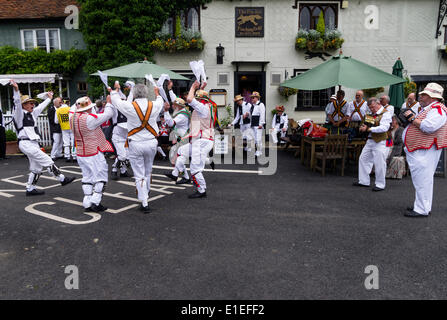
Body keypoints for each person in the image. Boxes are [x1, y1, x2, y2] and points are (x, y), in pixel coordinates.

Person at [10, 80, 75, 195]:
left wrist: (49, 98)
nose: (32, 105)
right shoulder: (19, 115)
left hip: (33, 143)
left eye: (32, 103)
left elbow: (41, 107)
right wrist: (16, 90)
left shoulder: (32, 114)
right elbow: (16, 103)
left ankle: (30, 189)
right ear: (23, 105)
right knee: (47, 160)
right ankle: (62, 179)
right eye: (29, 103)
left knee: (36, 168)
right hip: (26, 143)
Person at [110, 83, 163, 213]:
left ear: (133, 94)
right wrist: (157, 93)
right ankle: (147, 192)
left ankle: (144, 202)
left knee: (139, 175)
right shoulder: (154, 105)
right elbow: (160, 100)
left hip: (136, 143)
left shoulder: (129, 106)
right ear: (146, 93)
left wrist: (115, 89)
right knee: (148, 171)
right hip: (151, 142)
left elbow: (115, 101)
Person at [403, 83, 447, 218]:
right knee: (423, 179)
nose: (420, 96)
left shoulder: (437, 108)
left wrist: (411, 118)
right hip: (422, 148)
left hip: (425, 149)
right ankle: (422, 206)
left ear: (433, 97)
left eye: (424, 95)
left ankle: (421, 208)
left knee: (422, 179)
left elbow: (429, 127)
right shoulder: (430, 108)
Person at [70, 97, 114, 213]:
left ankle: (87, 202)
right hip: (93, 152)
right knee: (101, 176)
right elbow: (108, 114)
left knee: (87, 177)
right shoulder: (90, 119)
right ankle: (96, 201)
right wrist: (109, 103)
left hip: (80, 152)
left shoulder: (72, 117)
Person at [353, 97, 392, 191]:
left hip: (381, 141)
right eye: (370, 107)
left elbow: (384, 128)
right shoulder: (371, 114)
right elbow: (368, 124)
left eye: (373, 107)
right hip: (370, 140)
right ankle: (363, 181)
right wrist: (363, 127)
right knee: (363, 159)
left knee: (379, 163)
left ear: (379, 104)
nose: (371, 109)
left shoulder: (386, 113)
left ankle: (380, 184)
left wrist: (369, 129)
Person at [184, 81, 215, 198]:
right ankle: (208, 161)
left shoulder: (203, 108)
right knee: (182, 152)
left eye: (198, 98)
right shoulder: (207, 106)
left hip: (202, 140)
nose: (196, 100)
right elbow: (195, 99)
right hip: (202, 140)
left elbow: (190, 99)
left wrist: (192, 87)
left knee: (195, 168)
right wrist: (200, 88)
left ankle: (201, 190)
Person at [163, 97, 192, 184]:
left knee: (179, 158)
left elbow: (171, 123)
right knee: (179, 159)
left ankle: (176, 174)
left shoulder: (181, 115)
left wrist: (166, 111)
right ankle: (184, 176)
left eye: (174, 104)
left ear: (178, 106)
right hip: (182, 137)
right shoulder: (182, 112)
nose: (172, 105)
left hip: (183, 138)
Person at [110, 94, 132, 180]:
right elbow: (113, 102)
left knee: (128, 156)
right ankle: (114, 170)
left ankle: (123, 171)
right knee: (122, 156)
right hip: (118, 137)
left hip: (126, 137)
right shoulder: (116, 111)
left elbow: (130, 98)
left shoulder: (129, 110)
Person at [385, 115, 405, 179]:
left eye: (393, 120)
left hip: (397, 147)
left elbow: (399, 140)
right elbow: (388, 142)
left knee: (393, 156)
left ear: (396, 121)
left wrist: (391, 141)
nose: (391, 122)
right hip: (389, 146)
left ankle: (392, 174)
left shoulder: (400, 129)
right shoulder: (389, 130)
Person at [250, 91, 266, 157]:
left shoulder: (261, 105)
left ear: (257, 98)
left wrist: (261, 124)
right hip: (253, 124)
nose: (252, 99)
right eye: (252, 98)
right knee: (255, 138)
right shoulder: (253, 106)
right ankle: (258, 150)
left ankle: (259, 151)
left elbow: (262, 115)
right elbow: (252, 115)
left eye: (253, 98)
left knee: (258, 138)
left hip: (258, 124)